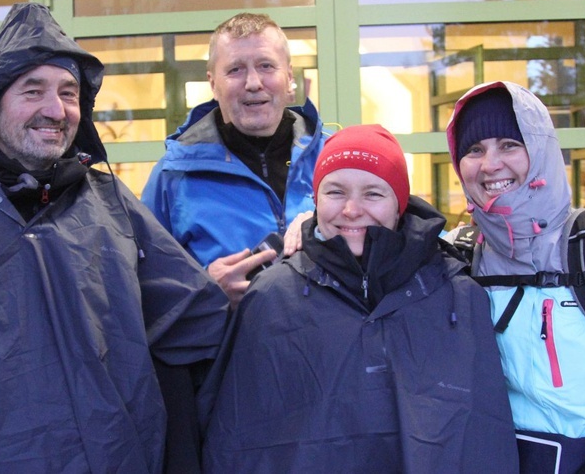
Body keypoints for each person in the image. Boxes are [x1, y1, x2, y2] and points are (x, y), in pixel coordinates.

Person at [0, 3, 229, 473]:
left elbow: (184, 330)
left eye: (68, 93)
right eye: (33, 91)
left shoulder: (113, 205)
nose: (55, 110)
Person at [197, 124, 519, 473]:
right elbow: (235, 439)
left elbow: (486, 434)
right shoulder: (270, 298)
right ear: (315, 200)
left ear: (399, 205)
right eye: (335, 192)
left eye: (373, 194)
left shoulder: (456, 295)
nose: (351, 209)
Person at [445, 81, 585, 473]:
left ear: (542, 149)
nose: (490, 164)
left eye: (510, 145)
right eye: (474, 150)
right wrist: (315, 229)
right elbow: (380, 252)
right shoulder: (460, 253)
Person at [140, 12, 327, 309]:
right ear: (213, 84)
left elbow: (383, 253)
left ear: (289, 77)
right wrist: (205, 291)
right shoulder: (172, 176)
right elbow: (143, 289)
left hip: (330, 351)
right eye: (236, 70)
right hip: (228, 354)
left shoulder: (333, 158)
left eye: (266, 66)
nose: (253, 83)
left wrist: (323, 224)